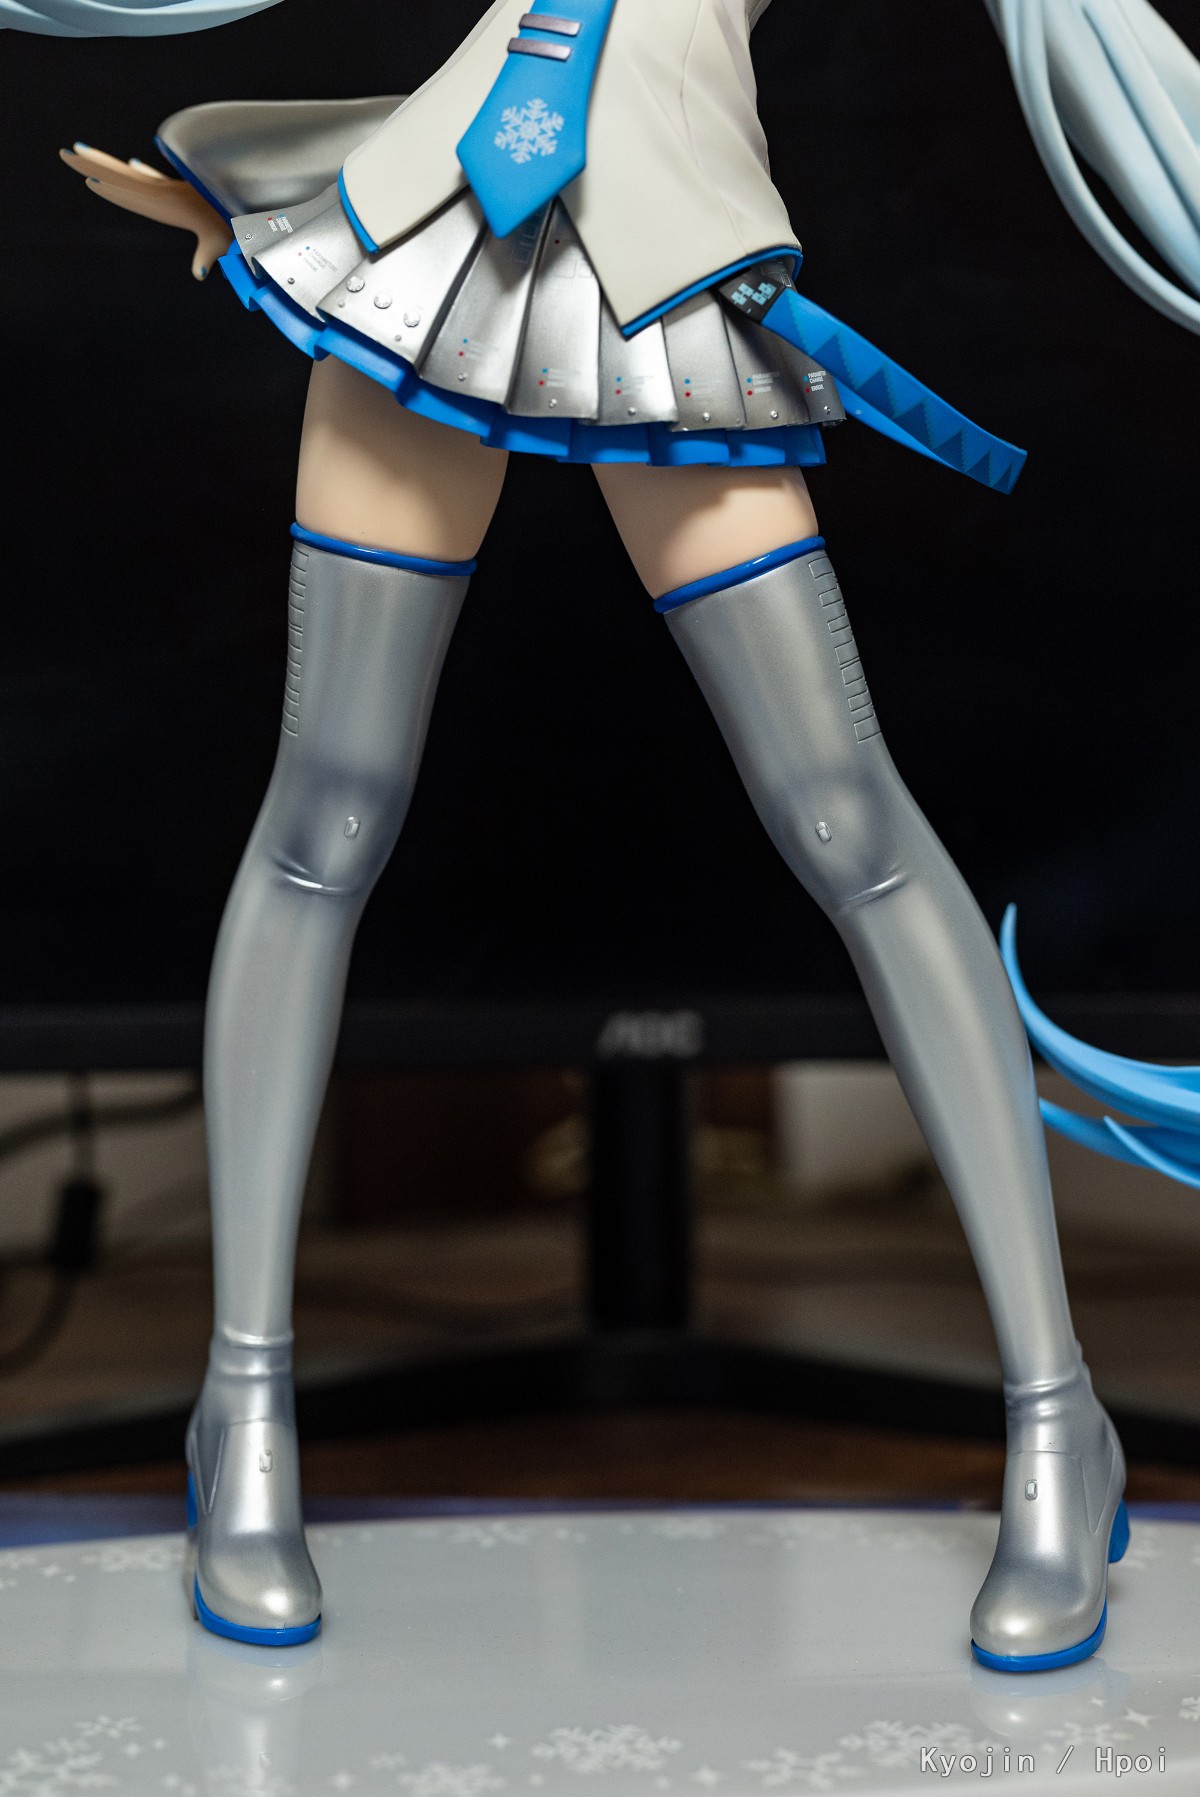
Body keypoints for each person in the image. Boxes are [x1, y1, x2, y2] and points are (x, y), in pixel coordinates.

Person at [8, 0, 1196, 1669]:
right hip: (429, 249)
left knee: (849, 817)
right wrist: (261, 168)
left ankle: (1059, 1417)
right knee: (324, 813)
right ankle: (244, 1406)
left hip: (666, 266)